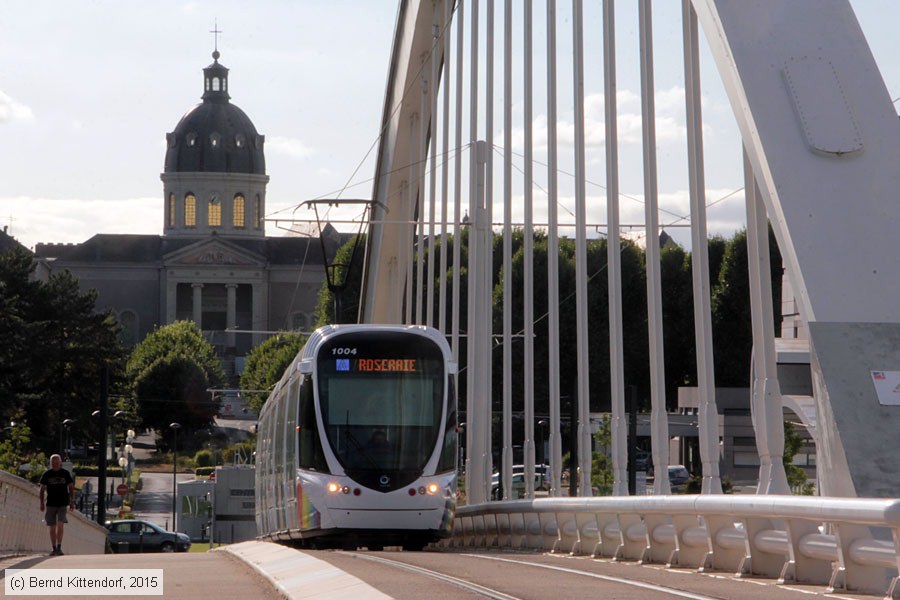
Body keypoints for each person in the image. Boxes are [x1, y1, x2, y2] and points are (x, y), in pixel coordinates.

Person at [39, 454, 75, 556]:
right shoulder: (47, 474)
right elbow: (42, 490)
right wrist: (41, 503)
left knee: (60, 523)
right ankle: (54, 548)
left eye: (57, 463)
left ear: (60, 463)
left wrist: (72, 501)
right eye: (53, 463)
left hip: (63, 503)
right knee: (52, 526)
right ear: (50, 463)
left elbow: (71, 488)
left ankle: (59, 547)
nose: (55, 465)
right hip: (51, 503)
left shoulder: (65, 473)